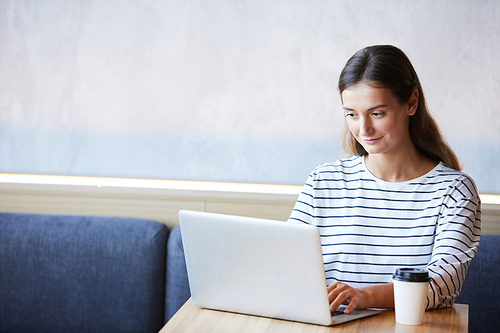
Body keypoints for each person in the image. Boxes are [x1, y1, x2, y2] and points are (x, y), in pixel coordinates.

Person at [288, 45, 481, 314]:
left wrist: (364, 296)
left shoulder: (454, 192)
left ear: (411, 103)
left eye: (377, 113)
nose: (363, 129)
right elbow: (284, 263)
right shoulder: (323, 182)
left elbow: (441, 286)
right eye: (351, 114)